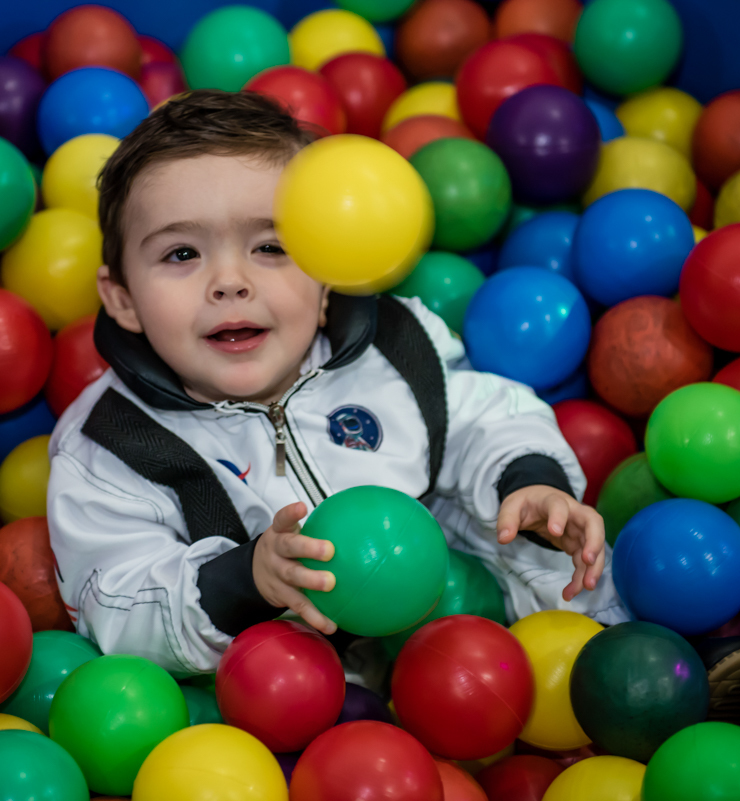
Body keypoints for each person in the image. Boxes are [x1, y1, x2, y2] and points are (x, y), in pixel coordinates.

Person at [46, 89, 628, 677]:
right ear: (122, 298)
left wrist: (529, 483)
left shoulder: (395, 348)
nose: (229, 281)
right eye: (181, 253)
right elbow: (113, 599)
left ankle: (628, 665)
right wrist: (248, 580)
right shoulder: (114, 445)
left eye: (270, 246)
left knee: (560, 568)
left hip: (475, 629)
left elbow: (485, 418)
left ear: (328, 269)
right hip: (295, 692)